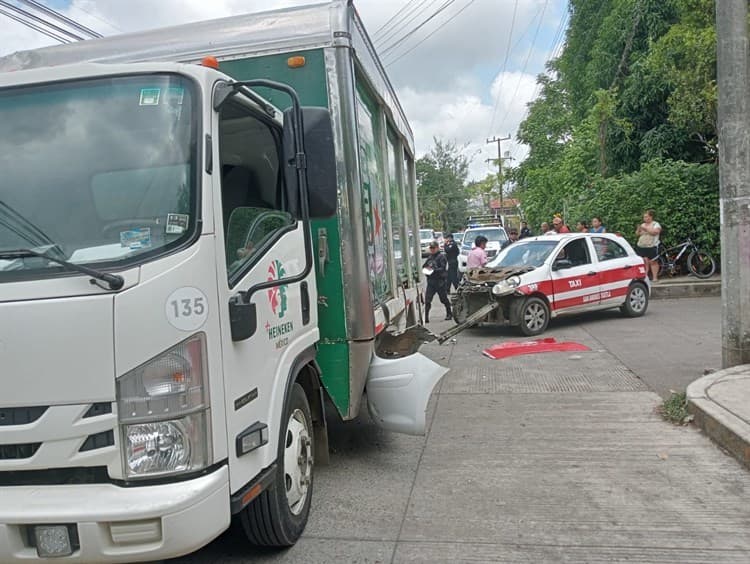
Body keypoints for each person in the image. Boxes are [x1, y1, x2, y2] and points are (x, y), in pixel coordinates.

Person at [422, 241, 452, 322]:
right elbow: (424, 266)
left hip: (440, 282)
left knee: (443, 299)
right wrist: (426, 270)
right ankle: (426, 317)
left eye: (433, 248)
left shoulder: (441, 257)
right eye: (431, 248)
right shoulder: (430, 257)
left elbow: (442, 268)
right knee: (427, 300)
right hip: (431, 282)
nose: (432, 250)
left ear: (437, 248)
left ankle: (449, 313)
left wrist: (434, 270)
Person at [635, 209, 662, 282]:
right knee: (644, 261)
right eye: (644, 217)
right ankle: (645, 277)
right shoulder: (642, 225)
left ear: (651, 217)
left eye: (647, 217)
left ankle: (655, 278)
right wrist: (638, 229)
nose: (645, 218)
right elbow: (638, 234)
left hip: (652, 245)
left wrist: (646, 229)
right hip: (642, 245)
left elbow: (655, 232)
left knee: (653, 262)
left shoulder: (656, 224)